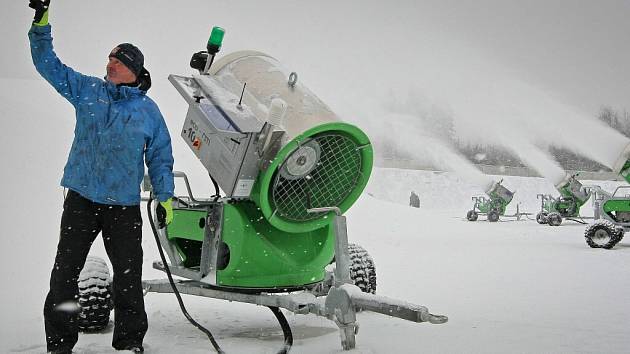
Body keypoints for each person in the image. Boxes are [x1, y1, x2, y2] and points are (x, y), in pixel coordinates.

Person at [27, 1, 175, 353]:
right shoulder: (88, 91)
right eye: (109, 58)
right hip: (81, 198)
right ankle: (59, 344)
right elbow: (48, 64)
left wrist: (165, 196)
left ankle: (128, 343)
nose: (110, 63)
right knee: (64, 277)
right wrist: (40, 25)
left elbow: (160, 157)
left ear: (134, 71)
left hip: (122, 207)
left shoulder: (147, 112)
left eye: (118, 60)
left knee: (127, 281)